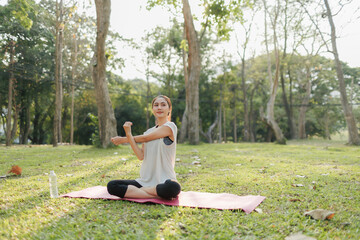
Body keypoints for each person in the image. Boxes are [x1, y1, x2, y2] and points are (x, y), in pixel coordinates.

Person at [107, 95, 181, 200]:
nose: (159, 107)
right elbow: (141, 155)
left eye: (163, 105)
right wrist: (128, 135)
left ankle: (139, 193)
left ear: (169, 109)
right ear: (153, 109)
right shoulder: (148, 131)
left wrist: (124, 139)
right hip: (145, 181)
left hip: (165, 181)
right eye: (156, 105)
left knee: (173, 187)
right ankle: (153, 194)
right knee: (112, 185)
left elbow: (146, 138)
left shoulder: (171, 127)